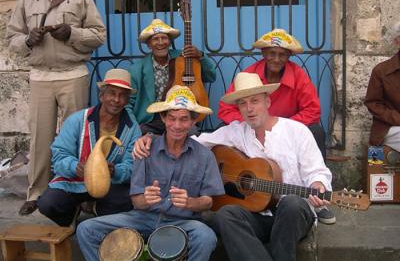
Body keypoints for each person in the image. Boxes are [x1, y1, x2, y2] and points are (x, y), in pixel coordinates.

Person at [134, 72, 332, 261]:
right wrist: (150, 138)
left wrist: (318, 185)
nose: (249, 109)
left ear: (268, 102)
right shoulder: (235, 132)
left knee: (292, 203)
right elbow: (193, 139)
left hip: (293, 218)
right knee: (226, 214)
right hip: (257, 217)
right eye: (243, 103)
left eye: (254, 101)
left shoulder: (296, 131)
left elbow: (317, 172)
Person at [77, 85, 225, 261]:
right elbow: (136, 201)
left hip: (182, 221)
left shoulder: (205, 156)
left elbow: (208, 202)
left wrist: (190, 202)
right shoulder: (145, 148)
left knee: (206, 237)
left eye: (184, 119)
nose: (177, 125)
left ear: (193, 121)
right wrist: (145, 200)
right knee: (86, 229)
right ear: (163, 118)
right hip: (142, 218)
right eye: (172, 118)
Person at [6, 0, 106, 215]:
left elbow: (98, 35)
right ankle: (36, 192)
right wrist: (28, 39)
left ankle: (81, 190)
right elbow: (12, 38)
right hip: (40, 75)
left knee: (78, 136)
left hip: (73, 73)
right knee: (40, 136)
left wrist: (71, 33)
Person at [217, 28, 335, 224]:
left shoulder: (298, 75)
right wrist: (248, 123)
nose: (276, 59)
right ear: (263, 53)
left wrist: (284, 128)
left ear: (289, 56)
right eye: (272, 53)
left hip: (289, 126)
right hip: (253, 127)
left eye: (282, 54)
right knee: (223, 129)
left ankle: (318, 199)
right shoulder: (249, 75)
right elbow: (225, 108)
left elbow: (313, 110)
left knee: (316, 131)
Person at [36, 69, 141, 227]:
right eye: (112, 93)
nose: (116, 100)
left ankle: (94, 210)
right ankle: (71, 216)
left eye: (122, 95)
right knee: (48, 204)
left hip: (109, 186)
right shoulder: (77, 120)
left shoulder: (132, 129)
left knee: (129, 201)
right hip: (75, 182)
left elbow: (133, 165)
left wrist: (116, 171)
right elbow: (59, 155)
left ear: (127, 100)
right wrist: (74, 167)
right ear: (101, 96)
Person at [126, 18, 216, 135]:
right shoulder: (136, 69)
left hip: (180, 116)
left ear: (169, 41)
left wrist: (201, 56)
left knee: (192, 135)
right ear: (148, 44)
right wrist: (134, 127)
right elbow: (128, 102)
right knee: (144, 144)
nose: (160, 42)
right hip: (151, 120)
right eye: (155, 39)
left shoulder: (184, 57)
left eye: (164, 38)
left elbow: (211, 76)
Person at [364, 21, 400, 161]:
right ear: (397, 42)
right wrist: (396, 118)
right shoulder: (382, 71)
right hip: (390, 128)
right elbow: (373, 104)